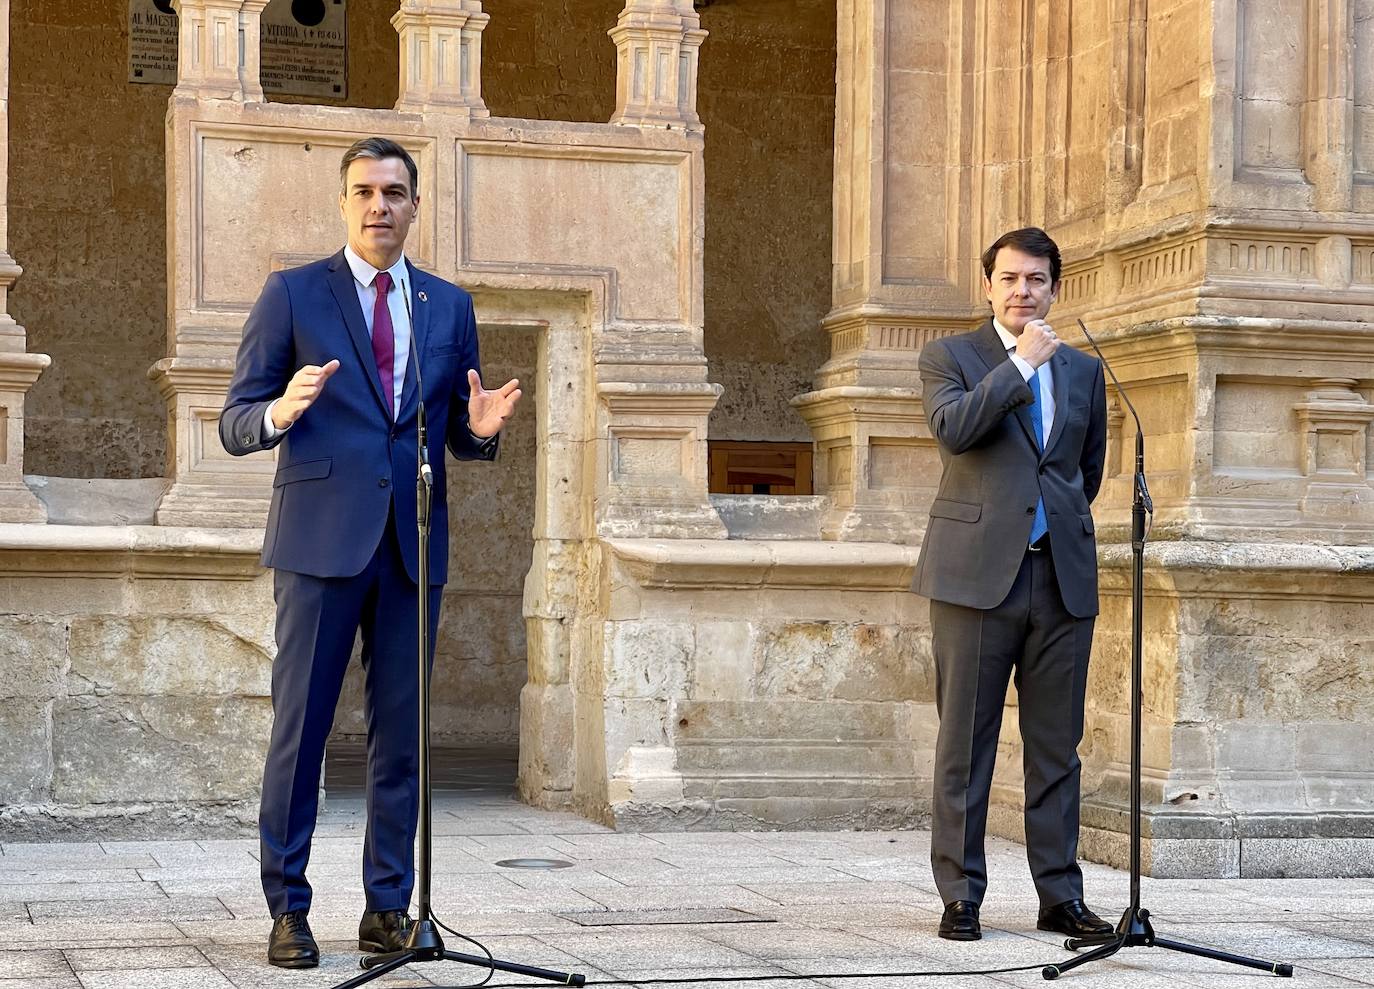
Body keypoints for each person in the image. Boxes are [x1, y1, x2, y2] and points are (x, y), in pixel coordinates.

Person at [219, 137, 521, 969]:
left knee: (403, 737)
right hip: (318, 545)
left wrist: (481, 433)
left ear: (415, 206)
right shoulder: (292, 295)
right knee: (303, 732)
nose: (379, 205)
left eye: (394, 192)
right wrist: (279, 410)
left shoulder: (447, 306)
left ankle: (388, 908)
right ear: (343, 204)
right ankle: (289, 907)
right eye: (363, 192)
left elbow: (453, 426)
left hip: (410, 548)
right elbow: (234, 419)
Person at [913, 227, 1113, 942]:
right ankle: (962, 895)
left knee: (1057, 746)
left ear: (1056, 286)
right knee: (965, 742)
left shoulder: (1085, 372)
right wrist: (1019, 368)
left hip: (1060, 577)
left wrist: (1054, 528)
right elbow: (955, 430)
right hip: (973, 577)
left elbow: (1084, 472)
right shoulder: (952, 357)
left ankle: (1060, 895)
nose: (1023, 291)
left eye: (1036, 279)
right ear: (988, 285)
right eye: (1010, 279)